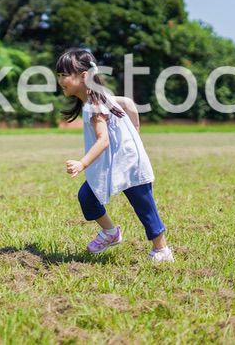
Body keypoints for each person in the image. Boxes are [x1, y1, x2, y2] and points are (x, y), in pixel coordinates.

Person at [55, 47, 174, 264]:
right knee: (87, 196)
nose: (60, 80)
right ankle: (111, 232)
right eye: (59, 75)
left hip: (128, 163)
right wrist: (135, 134)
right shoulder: (99, 97)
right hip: (115, 162)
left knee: (144, 205)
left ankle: (162, 250)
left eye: (65, 75)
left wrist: (82, 163)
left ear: (84, 76)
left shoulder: (94, 104)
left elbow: (103, 140)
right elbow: (128, 103)